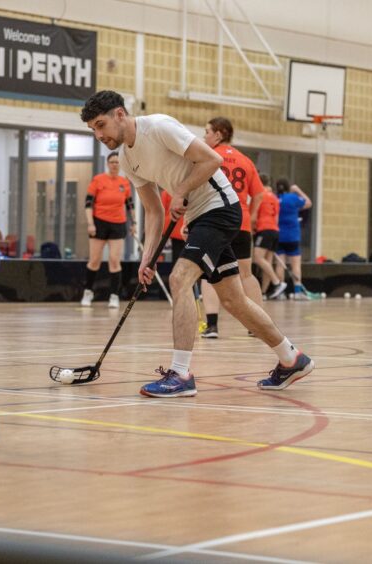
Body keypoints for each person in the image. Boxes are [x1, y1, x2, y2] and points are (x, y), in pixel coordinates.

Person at [80, 90, 314, 397]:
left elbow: (211, 159)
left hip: (220, 207)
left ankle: (180, 374)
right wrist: (146, 258)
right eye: (93, 130)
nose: (99, 134)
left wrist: (181, 190)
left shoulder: (159, 126)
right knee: (233, 300)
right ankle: (291, 358)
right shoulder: (126, 158)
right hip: (199, 217)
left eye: (101, 125)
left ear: (120, 114)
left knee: (180, 278)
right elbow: (153, 211)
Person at [199, 117, 265, 338]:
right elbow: (259, 193)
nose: (204, 136)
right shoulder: (245, 160)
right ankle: (257, 324)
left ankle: (212, 326)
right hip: (241, 222)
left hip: (215, 221)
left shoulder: (207, 158)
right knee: (246, 274)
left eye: (207, 131)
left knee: (208, 273)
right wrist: (252, 217)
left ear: (219, 134)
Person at [81, 151, 136, 308]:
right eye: (112, 162)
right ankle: (88, 292)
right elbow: (88, 204)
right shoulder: (98, 180)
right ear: (107, 163)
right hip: (99, 223)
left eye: (118, 162)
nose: (115, 165)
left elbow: (130, 205)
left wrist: (134, 223)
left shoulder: (124, 183)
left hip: (118, 224)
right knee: (94, 260)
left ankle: (114, 295)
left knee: (114, 260)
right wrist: (90, 223)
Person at [275, 178, 312, 300]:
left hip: (279, 235)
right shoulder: (293, 198)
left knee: (280, 264)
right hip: (292, 236)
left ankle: (280, 292)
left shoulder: (274, 199)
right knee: (295, 264)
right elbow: (308, 203)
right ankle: (297, 292)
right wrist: (297, 190)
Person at [252, 173, 286, 299]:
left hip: (264, 229)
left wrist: (253, 229)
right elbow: (276, 218)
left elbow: (254, 216)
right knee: (267, 262)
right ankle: (263, 293)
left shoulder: (260, 196)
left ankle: (277, 282)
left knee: (258, 258)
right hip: (275, 230)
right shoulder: (275, 198)